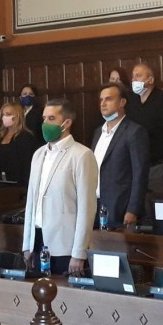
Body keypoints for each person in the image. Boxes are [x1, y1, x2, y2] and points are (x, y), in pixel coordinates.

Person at [22, 99, 98, 275]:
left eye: (51, 118)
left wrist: (79, 253)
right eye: (44, 118)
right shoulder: (38, 154)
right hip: (38, 241)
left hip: (65, 245)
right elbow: (31, 202)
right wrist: (27, 244)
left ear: (67, 123)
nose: (45, 124)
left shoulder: (82, 155)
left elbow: (87, 209)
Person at [91, 84, 150, 228]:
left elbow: (140, 174)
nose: (103, 104)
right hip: (95, 204)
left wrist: (133, 209)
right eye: (101, 100)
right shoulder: (98, 132)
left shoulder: (134, 132)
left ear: (122, 102)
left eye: (108, 99)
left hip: (120, 207)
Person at [125, 63, 163, 192]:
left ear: (150, 80)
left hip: (158, 167)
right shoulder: (129, 101)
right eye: (133, 76)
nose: (134, 80)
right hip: (133, 167)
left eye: (138, 76)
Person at [0, 102, 39, 186]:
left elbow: (27, 165)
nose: (4, 117)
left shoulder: (25, 137)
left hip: (20, 184)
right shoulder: (1, 136)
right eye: (3, 114)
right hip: (3, 182)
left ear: (17, 116)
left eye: (8, 114)